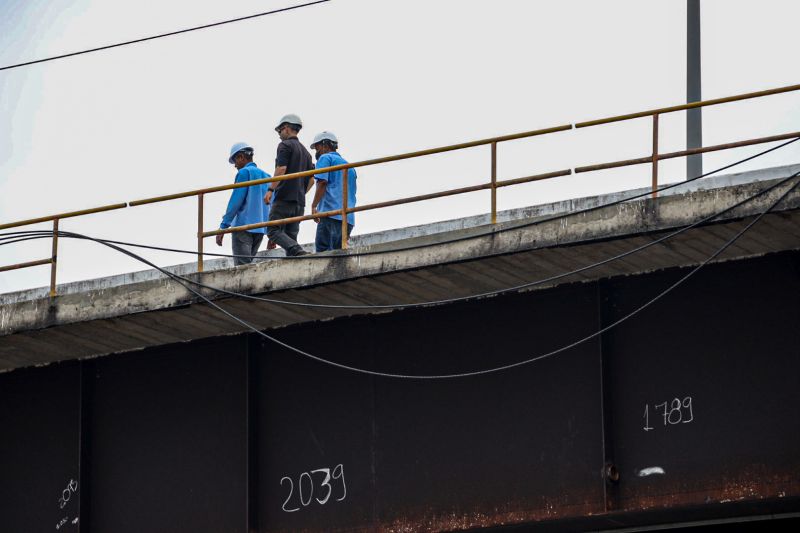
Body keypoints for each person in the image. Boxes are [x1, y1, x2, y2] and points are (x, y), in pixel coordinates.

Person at [263, 114, 314, 256]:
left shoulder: (285, 145)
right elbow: (311, 180)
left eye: (279, 131)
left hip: (284, 198)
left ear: (285, 128)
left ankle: (297, 250)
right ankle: (296, 255)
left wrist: (270, 190)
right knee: (291, 236)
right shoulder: (306, 153)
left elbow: (281, 169)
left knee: (272, 230)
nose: (279, 135)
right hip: (299, 203)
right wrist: (300, 193)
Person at [217, 142, 271, 266]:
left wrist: (223, 227)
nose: (235, 165)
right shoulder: (266, 176)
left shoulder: (244, 173)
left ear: (241, 156)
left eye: (235, 160)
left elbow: (235, 202)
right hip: (260, 229)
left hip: (243, 228)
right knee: (249, 267)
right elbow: (270, 205)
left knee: (242, 268)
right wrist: (271, 233)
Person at [309, 131, 357, 252]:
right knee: (338, 255)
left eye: (317, 148)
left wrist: (314, 206)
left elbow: (322, 183)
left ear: (325, 145)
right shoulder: (349, 166)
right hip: (348, 218)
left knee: (324, 254)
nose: (317, 152)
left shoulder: (325, 158)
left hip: (330, 214)